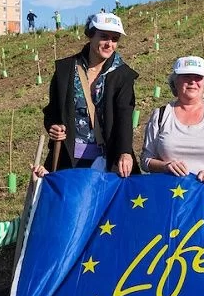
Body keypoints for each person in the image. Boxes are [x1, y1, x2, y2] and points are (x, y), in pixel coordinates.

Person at [43, 12, 138, 176]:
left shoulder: (123, 75)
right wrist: (52, 126)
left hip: (108, 161)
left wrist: (124, 152)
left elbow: (124, 115)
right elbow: (52, 110)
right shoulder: (65, 70)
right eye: (104, 36)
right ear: (90, 35)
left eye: (115, 39)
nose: (109, 43)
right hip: (68, 160)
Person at [142, 56, 204, 185]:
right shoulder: (160, 115)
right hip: (168, 194)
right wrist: (165, 166)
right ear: (175, 82)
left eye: (198, 77)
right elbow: (145, 160)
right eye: (186, 76)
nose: (192, 82)